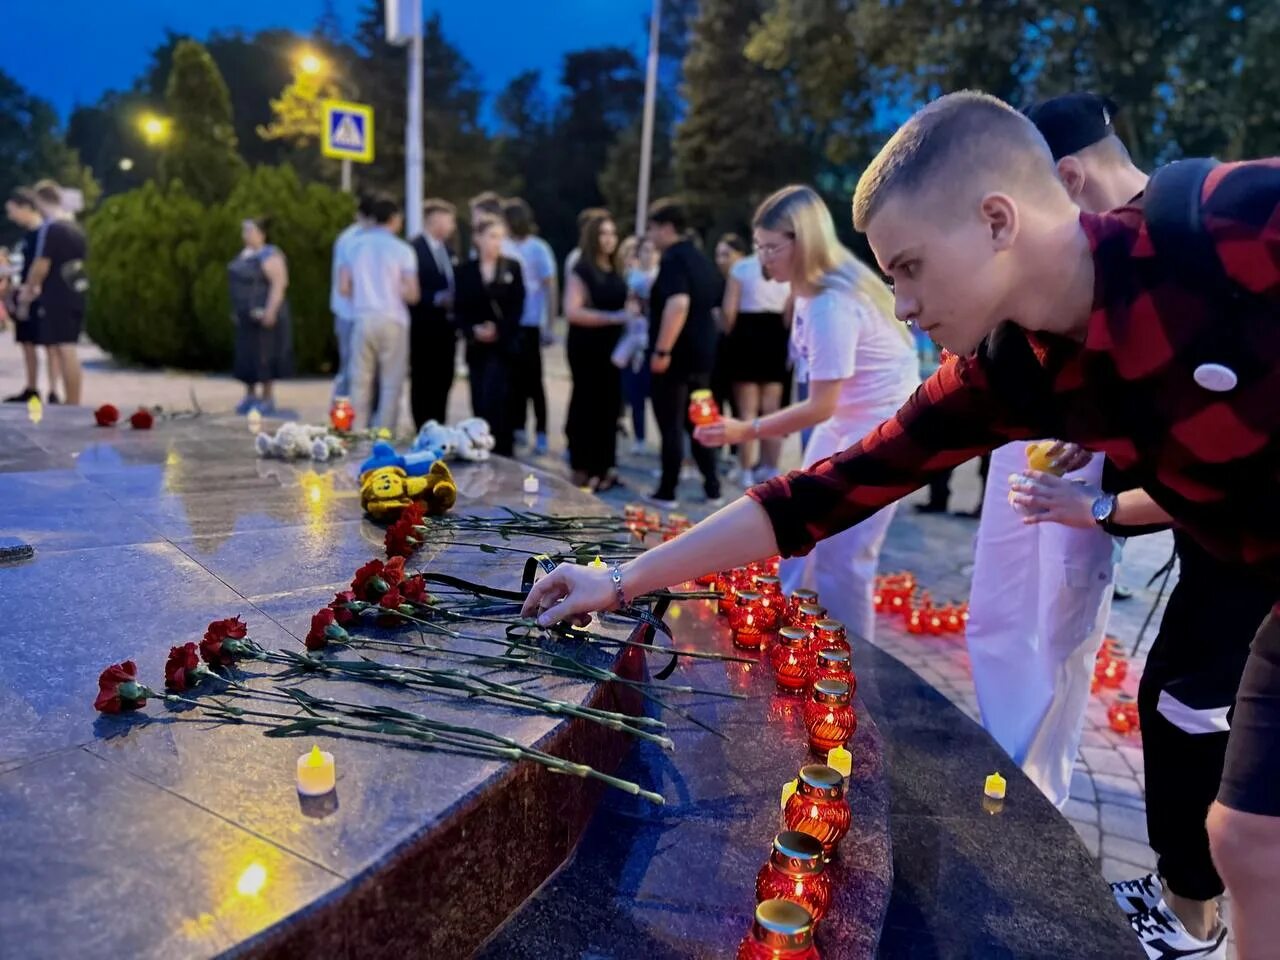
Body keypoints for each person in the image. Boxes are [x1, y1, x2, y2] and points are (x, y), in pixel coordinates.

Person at [522, 92, 1280, 960]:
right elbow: (822, 492)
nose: (904, 307)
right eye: (890, 278)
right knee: (1246, 840)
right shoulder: (1010, 371)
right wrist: (616, 582)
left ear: (997, 219)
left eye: (911, 268)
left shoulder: (1226, 227)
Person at [1003, 91, 1277, 959]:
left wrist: (1098, 506)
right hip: (1209, 552)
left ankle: (1194, 911)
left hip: (1242, 558)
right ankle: (1188, 894)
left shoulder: (1212, 241)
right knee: (1184, 715)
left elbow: (1226, 469)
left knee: (1190, 718)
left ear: (1068, 178)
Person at [959, 95, 1142, 813]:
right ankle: (1002, 766)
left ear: (1064, 180)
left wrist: (1104, 478)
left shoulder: (1179, 246)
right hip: (1034, 441)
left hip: (1104, 481)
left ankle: (1041, 803)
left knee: (1061, 629)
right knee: (999, 610)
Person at [695, 185, 918, 640]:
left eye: (771, 248)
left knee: (844, 557)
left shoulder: (829, 301)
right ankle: (790, 633)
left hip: (879, 429)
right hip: (851, 422)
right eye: (758, 247)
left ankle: (848, 660)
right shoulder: (818, 288)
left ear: (804, 241)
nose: (763, 260)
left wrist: (746, 429)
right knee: (795, 532)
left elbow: (822, 404)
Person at [645, 198, 724, 508]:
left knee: (671, 423)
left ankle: (667, 490)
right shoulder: (700, 259)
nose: (650, 237)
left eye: (652, 229)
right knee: (701, 422)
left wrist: (662, 350)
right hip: (702, 357)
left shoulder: (673, 260)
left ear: (666, 228)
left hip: (675, 358)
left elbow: (678, 303)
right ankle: (713, 486)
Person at [565, 212, 632, 490]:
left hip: (614, 347)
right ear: (593, 237)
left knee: (609, 406)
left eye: (613, 234)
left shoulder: (617, 269)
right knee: (587, 402)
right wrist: (615, 317)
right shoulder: (582, 269)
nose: (609, 239)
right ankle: (584, 465)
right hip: (587, 346)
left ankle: (605, 467)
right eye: (603, 234)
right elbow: (572, 311)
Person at [340, 195, 419, 431]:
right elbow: (412, 293)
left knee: (359, 382)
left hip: (362, 317)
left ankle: (356, 432)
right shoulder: (402, 249)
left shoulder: (354, 246)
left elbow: (343, 287)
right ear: (394, 219)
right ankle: (384, 434)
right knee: (391, 384)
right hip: (393, 319)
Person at [721, 241, 792, 484]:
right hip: (775, 336)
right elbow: (789, 312)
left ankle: (746, 470)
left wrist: (729, 336)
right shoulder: (787, 266)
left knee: (747, 411)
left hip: (746, 334)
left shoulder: (741, 268)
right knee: (772, 411)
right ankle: (770, 467)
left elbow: (729, 312)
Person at [456, 216, 524, 456]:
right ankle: (480, 447)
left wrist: (499, 330)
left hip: (503, 346)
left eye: (500, 237)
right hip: (476, 347)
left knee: (500, 398)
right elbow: (459, 308)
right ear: (478, 238)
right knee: (479, 398)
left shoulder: (512, 267)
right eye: (492, 236)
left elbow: (517, 306)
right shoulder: (465, 271)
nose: (497, 243)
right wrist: (473, 330)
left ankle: (504, 451)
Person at [504, 198, 556, 455]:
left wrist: (550, 322)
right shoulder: (502, 245)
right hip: (510, 321)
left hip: (531, 321)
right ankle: (517, 425)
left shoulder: (538, 248)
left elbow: (550, 285)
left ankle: (542, 431)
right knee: (512, 379)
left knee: (534, 380)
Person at [228, 217, 291, 415]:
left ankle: (267, 397)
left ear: (261, 234)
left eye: (250, 231)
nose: (246, 235)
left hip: (264, 314)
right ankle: (249, 395)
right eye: (244, 231)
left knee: (265, 355)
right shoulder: (244, 255)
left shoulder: (270, 255)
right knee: (246, 356)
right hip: (245, 315)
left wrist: (271, 311)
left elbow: (279, 284)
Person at [409, 198, 458, 427]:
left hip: (446, 327)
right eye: (449, 221)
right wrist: (436, 298)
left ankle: (439, 422)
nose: (452, 227)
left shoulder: (447, 250)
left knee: (444, 377)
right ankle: (423, 425)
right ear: (435, 220)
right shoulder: (414, 248)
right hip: (423, 325)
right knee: (423, 378)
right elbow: (412, 286)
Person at [4, 189, 46, 403]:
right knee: (26, 341)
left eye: (12, 211)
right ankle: (32, 387)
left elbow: (40, 266)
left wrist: (28, 293)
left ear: (26, 207)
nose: (11, 216)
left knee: (49, 344)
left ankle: (53, 389)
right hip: (26, 294)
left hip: (37, 296)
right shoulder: (30, 235)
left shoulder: (43, 233)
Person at [330, 195, 372, 401]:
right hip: (350, 314)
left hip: (359, 313)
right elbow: (344, 284)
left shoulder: (362, 237)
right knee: (349, 368)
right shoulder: (352, 239)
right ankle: (341, 417)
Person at [619, 236, 658, 453]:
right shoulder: (629, 277)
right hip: (632, 341)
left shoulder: (662, 276)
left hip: (653, 342)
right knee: (635, 393)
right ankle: (639, 437)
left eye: (653, 251)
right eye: (645, 251)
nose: (649, 255)